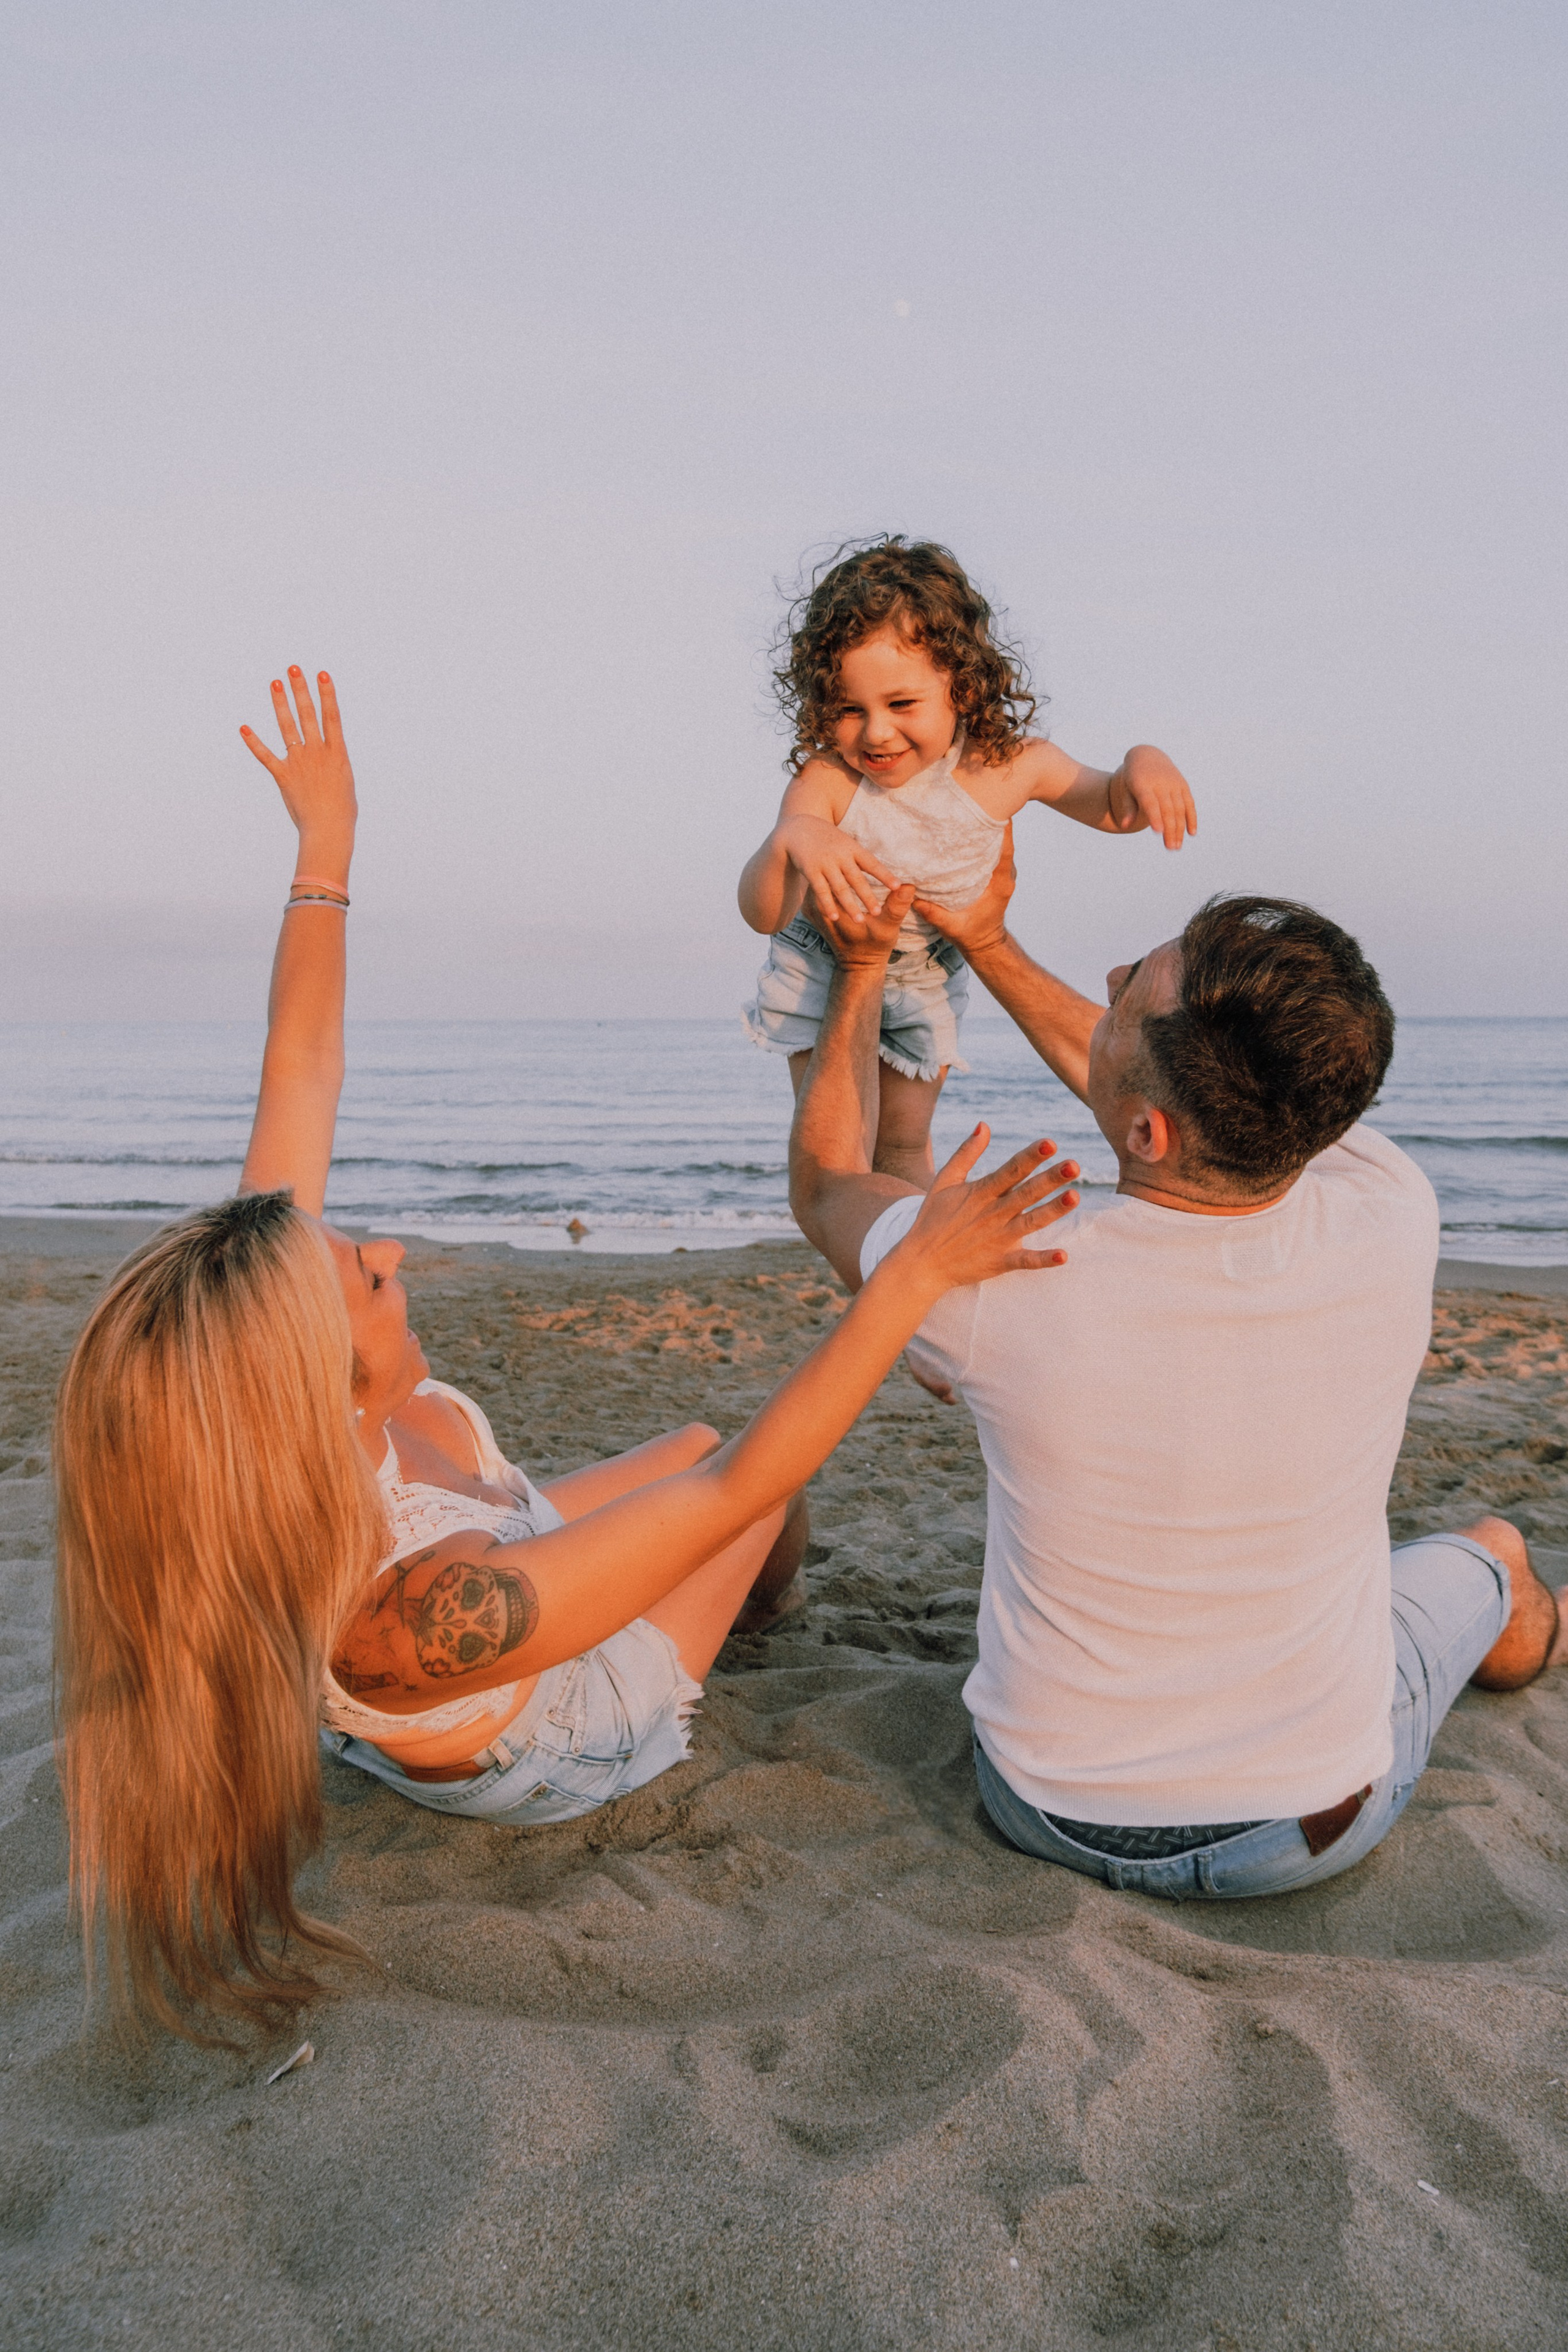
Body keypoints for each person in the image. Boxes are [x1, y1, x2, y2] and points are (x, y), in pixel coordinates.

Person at [53, 669, 1079, 2040]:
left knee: (698, 1454)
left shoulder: (267, 1380)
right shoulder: (407, 1620)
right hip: (559, 1728)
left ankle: (722, 1600)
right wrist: (914, 1273)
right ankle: (732, 1640)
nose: (388, 1255)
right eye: (361, 1276)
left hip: (496, 1547)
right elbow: (737, 1487)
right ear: (303, 1372)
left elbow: (301, 1071)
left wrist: (325, 849)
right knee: (747, 1488)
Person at [786, 835, 1568, 1901]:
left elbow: (829, 1182)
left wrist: (861, 972)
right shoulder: (1392, 1209)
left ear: (1149, 1131)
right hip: (1303, 1833)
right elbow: (1155, 1101)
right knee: (1486, 1550)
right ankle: (1531, 1629)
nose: (1102, 984)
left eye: (1124, 996)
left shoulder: (993, 1275)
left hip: (1048, 1814)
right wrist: (986, 937)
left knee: (1467, 1552)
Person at [737, 537, 1196, 1183]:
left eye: (901, 704)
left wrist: (1145, 761)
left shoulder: (1010, 767)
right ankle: (873, 1252)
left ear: (962, 683)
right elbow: (762, 915)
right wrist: (790, 842)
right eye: (847, 710)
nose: (874, 732)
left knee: (902, 1144)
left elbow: (1114, 808)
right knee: (840, 1154)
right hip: (821, 961)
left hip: (926, 969)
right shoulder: (826, 783)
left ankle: (912, 1256)